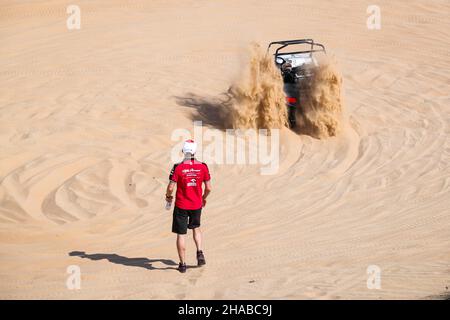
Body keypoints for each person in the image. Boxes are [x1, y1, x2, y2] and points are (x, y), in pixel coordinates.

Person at [165, 139, 212, 273]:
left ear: (183, 152)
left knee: (181, 234)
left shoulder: (178, 167)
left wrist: (168, 197)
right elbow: (208, 188)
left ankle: (183, 264)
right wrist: (203, 198)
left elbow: (170, 187)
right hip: (196, 204)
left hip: (181, 205)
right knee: (196, 228)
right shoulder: (203, 166)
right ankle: (199, 251)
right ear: (195, 151)